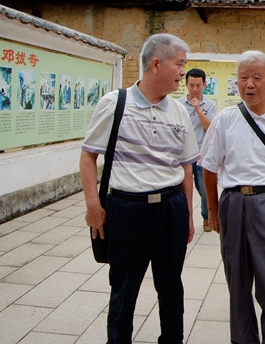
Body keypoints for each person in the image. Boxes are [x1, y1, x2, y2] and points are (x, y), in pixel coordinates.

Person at [80, 33, 199, 344]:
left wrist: (187, 214)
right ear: (156, 64)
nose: (183, 72)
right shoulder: (115, 104)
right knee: (124, 287)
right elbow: (88, 155)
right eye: (179, 64)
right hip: (127, 210)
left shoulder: (179, 112)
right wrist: (93, 205)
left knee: (171, 285)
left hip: (170, 208)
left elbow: (186, 166)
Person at [199, 50, 265, 344]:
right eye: (243, 77)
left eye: (257, 77)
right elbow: (209, 168)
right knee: (238, 283)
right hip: (234, 203)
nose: (249, 84)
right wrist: (213, 211)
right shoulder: (225, 119)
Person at [178, 68, 217, 232]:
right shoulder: (178, 105)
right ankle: (182, 218)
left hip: (202, 153)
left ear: (204, 85)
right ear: (186, 84)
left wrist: (198, 110)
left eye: (198, 85)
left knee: (204, 189)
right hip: (182, 155)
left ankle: (206, 217)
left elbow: (210, 128)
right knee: (181, 189)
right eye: (191, 85)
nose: (195, 89)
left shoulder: (210, 105)